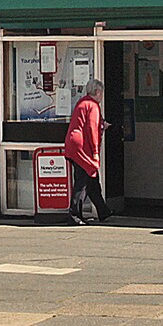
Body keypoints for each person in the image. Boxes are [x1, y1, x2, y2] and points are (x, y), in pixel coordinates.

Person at [65, 80, 112, 225]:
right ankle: (74, 215)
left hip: (73, 144)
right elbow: (92, 129)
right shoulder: (93, 105)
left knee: (92, 179)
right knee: (83, 181)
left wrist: (101, 125)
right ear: (97, 92)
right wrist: (95, 151)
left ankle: (103, 211)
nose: (102, 96)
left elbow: (85, 123)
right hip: (82, 146)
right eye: (101, 93)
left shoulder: (82, 102)